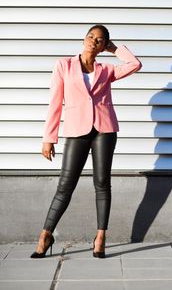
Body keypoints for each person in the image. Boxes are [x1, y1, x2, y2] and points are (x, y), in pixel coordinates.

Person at [30, 24, 142, 258]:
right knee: (65, 185)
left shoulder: (107, 69)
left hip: (105, 130)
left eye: (100, 40)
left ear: (103, 46)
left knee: (102, 183)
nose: (93, 41)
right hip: (76, 130)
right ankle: (46, 234)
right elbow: (55, 103)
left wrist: (114, 49)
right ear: (84, 39)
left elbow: (135, 64)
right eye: (91, 37)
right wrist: (48, 138)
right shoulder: (64, 65)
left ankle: (100, 236)